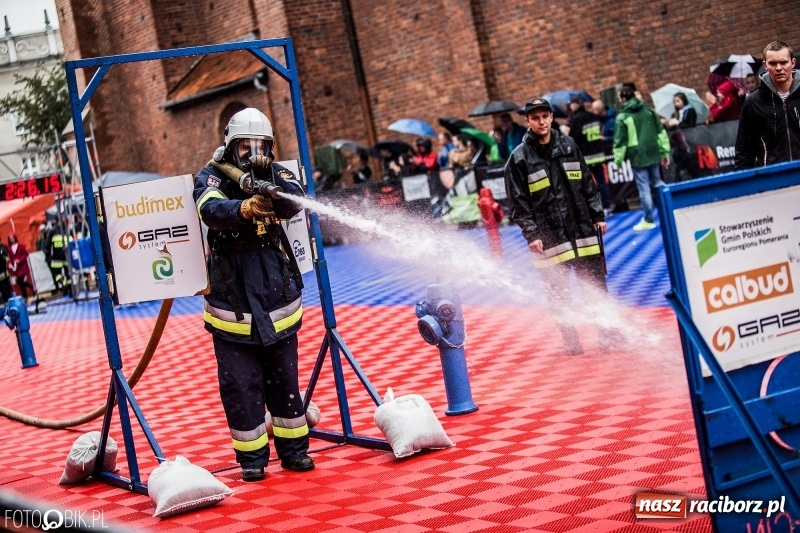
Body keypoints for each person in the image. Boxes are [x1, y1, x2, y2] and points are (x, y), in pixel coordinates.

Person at [193, 107, 313, 482]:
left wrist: (271, 190)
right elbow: (208, 208)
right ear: (231, 146)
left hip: (275, 292)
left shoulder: (274, 172)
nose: (254, 153)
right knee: (240, 385)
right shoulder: (211, 175)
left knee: (284, 380)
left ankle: (294, 452)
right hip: (232, 298)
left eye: (261, 145)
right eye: (246, 147)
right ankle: (252, 460)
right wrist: (243, 208)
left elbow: (296, 200)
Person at [504, 98, 615, 355]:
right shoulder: (519, 158)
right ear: (527, 122)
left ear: (552, 117)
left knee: (595, 287)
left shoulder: (569, 145)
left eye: (545, 116)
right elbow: (517, 202)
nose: (541, 122)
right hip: (550, 239)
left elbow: (588, 184)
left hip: (583, 232)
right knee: (558, 293)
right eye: (535, 118)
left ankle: (607, 334)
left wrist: (597, 215)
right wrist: (532, 234)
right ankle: (571, 341)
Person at [735, 41, 800, 170]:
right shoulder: (753, 102)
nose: (779, 68)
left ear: (793, 62)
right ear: (765, 65)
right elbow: (744, 150)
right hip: (772, 177)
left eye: (783, 62)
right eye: (773, 63)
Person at [613, 85, 670, 231]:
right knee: (658, 182)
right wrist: (665, 152)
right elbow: (661, 132)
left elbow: (620, 141)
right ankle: (669, 210)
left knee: (644, 187)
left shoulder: (623, 117)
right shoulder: (649, 111)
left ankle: (649, 219)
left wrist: (618, 161)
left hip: (637, 155)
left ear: (623, 98)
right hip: (653, 151)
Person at [567, 95, 612, 216]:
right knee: (602, 182)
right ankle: (607, 207)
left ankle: (592, 209)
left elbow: (573, 139)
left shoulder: (576, 119)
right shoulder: (593, 117)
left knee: (586, 184)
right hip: (598, 154)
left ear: (575, 105)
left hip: (585, 157)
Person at [7, 233, 33, 302]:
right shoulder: (9, 248)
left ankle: (29, 290)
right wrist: (11, 264)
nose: (11, 239)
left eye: (12, 238)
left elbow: (25, 255)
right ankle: (26, 296)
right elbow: (11, 257)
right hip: (16, 268)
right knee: (20, 282)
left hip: (22, 266)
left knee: (20, 281)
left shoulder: (20, 246)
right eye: (10, 238)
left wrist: (20, 260)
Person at [0, 238, 10, 303]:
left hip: (3, 273)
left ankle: (7, 303)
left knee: (6, 291)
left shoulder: (3, 248)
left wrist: (3, 256)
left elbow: (8, 258)